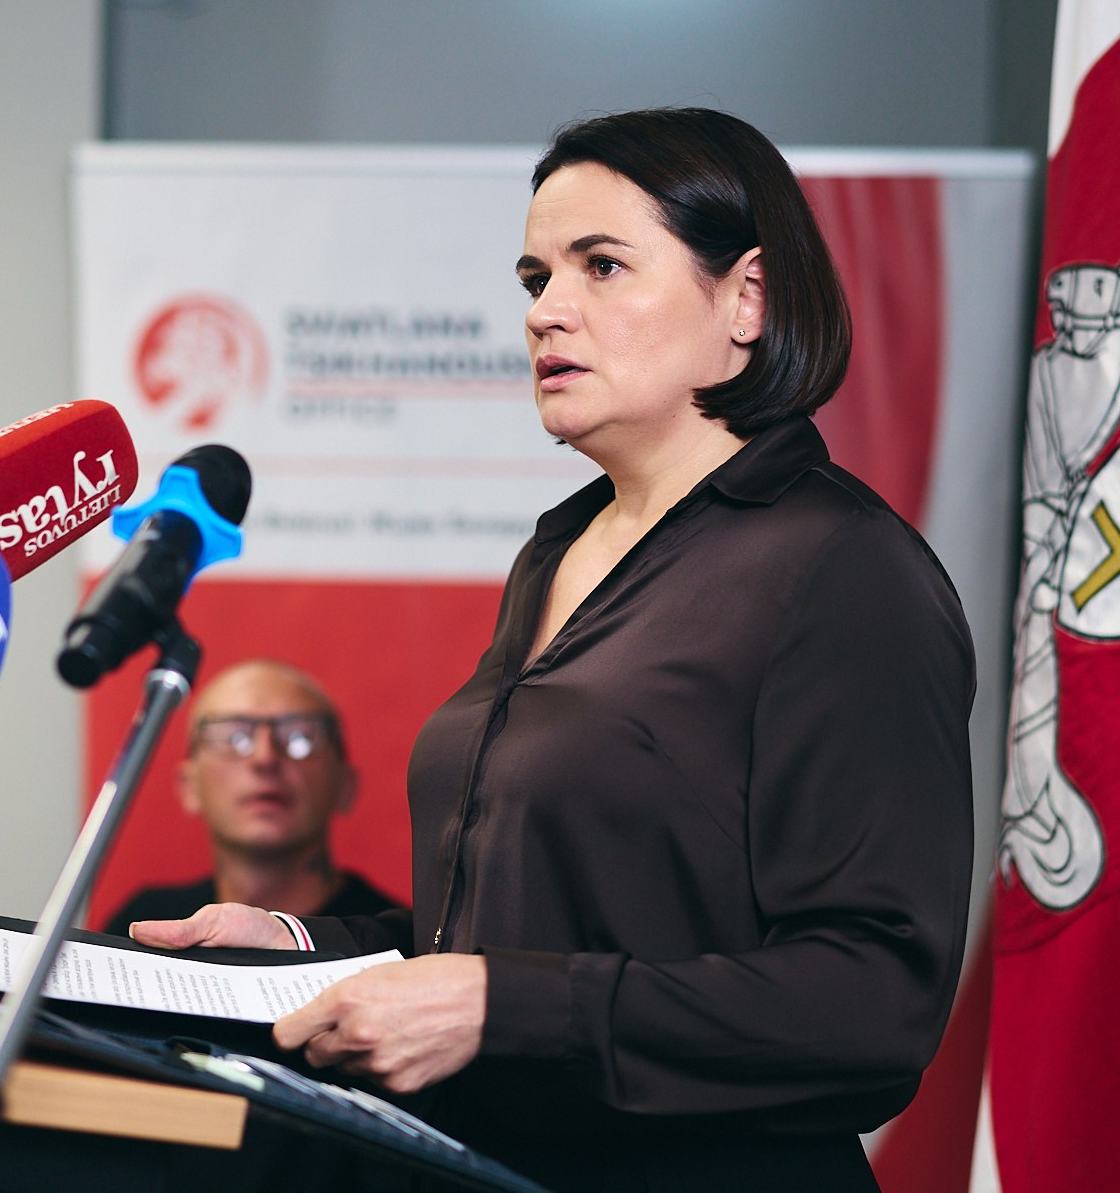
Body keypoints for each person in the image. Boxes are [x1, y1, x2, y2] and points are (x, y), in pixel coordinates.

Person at [134, 108, 976, 1192]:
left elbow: (870, 1004)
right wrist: (298, 950)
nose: (547, 313)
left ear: (746, 301)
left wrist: (494, 1006)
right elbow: (524, 928)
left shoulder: (842, 570)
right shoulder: (560, 548)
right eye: (534, 278)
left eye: (602, 266)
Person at [102, 658, 401, 937]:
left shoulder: (400, 944)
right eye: (234, 738)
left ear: (345, 785)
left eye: (299, 738)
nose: (265, 757)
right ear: (188, 786)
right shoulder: (146, 928)